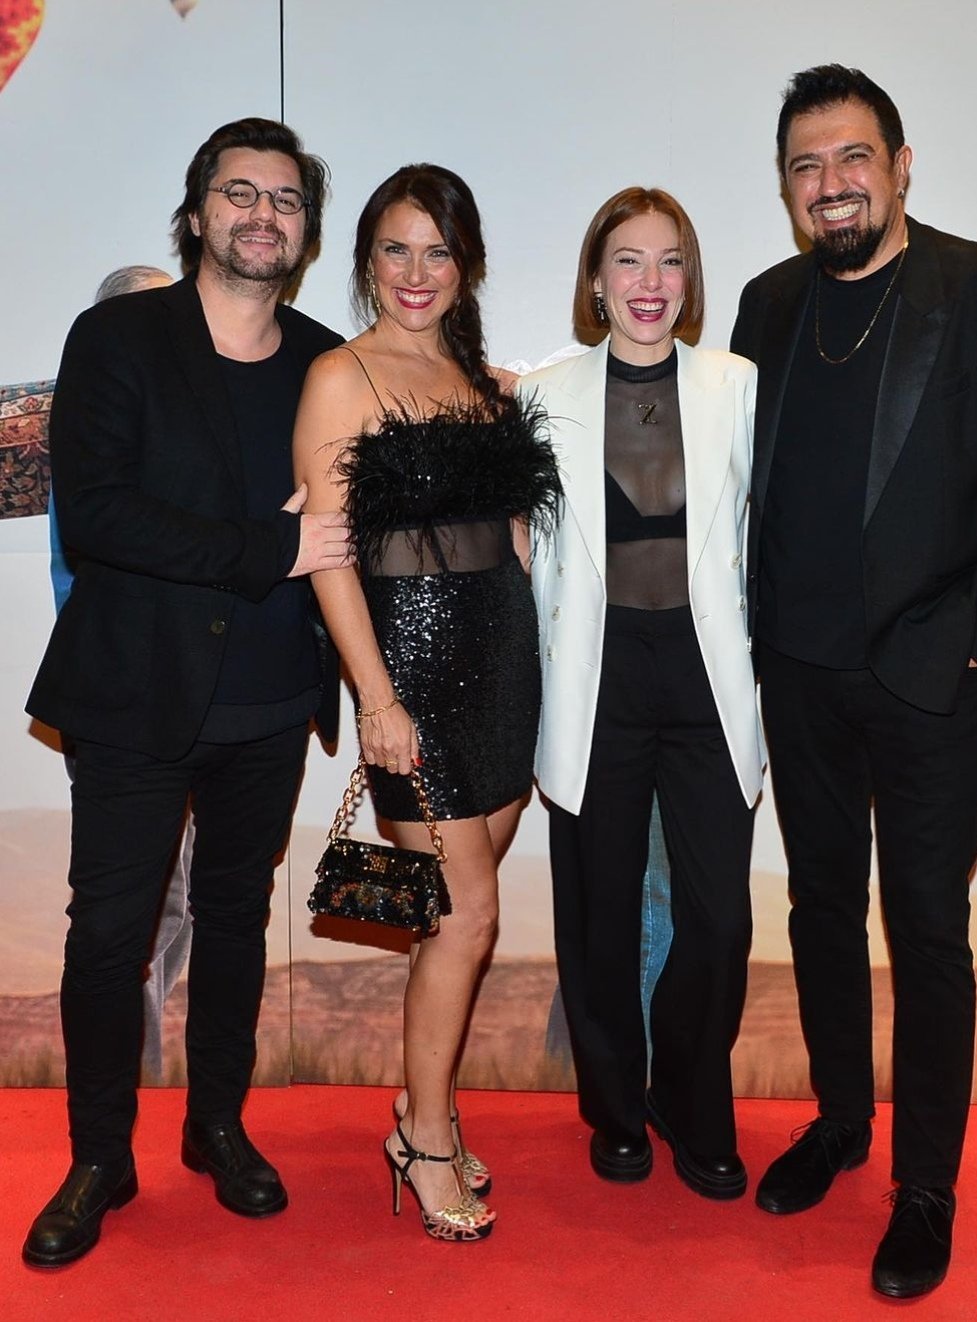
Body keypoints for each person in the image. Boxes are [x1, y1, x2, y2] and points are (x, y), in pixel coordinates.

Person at [730, 65, 977, 1298]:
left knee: (928, 928)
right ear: (786, 187)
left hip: (931, 678)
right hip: (798, 671)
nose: (831, 183)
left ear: (902, 164)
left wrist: (976, 643)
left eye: (853, 157)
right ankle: (840, 1120)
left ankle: (926, 1182)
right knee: (820, 908)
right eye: (806, 166)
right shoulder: (768, 306)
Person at [23, 117, 350, 1268]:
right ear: (200, 209)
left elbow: (354, 517)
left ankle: (216, 1124)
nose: (263, 214)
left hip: (271, 699)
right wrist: (270, 545)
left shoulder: (325, 361)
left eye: (286, 199)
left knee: (236, 920)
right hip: (133, 699)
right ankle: (98, 1157)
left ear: (306, 230)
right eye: (240, 192)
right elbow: (100, 515)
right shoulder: (117, 337)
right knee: (109, 934)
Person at [293, 163, 561, 1243]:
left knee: (447, 921)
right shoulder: (340, 376)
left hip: (504, 666)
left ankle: (420, 1107)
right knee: (468, 915)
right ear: (366, 260)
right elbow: (328, 554)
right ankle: (428, 1138)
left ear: (467, 264)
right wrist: (376, 696)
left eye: (437, 251)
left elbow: (513, 539)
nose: (417, 272)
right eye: (395, 250)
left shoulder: (485, 385)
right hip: (408, 677)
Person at [521, 188, 765, 1199]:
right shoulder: (544, 394)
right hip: (597, 679)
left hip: (708, 679)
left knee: (719, 920)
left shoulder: (737, 384)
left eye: (670, 261)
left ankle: (692, 1103)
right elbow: (523, 549)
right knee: (599, 914)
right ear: (596, 278)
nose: (650, 282)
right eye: (628, 260)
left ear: (690, 279)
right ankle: (618, 1110)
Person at [46, 262, 191, 1084]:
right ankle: (125, 1076)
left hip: (194, 696)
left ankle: (146, 1062)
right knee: (130, 910)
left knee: (184, 900)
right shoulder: (96, 431)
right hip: (120, 697)